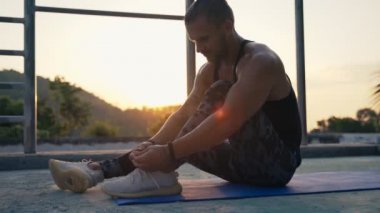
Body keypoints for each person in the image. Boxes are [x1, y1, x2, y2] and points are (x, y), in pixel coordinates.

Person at [49, 0, 302, 198]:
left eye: (204, 39)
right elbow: (184, 115)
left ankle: (156, 174)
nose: (199, 48)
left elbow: (229, 120)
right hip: (240, 164)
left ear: (227, 26)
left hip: (276, 167)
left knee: (221, 91)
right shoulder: (208, 71)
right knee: (183, 133)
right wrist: (150, 148)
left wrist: (169, 154)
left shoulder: (260, 62)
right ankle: (99, 171)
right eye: (193, 41)